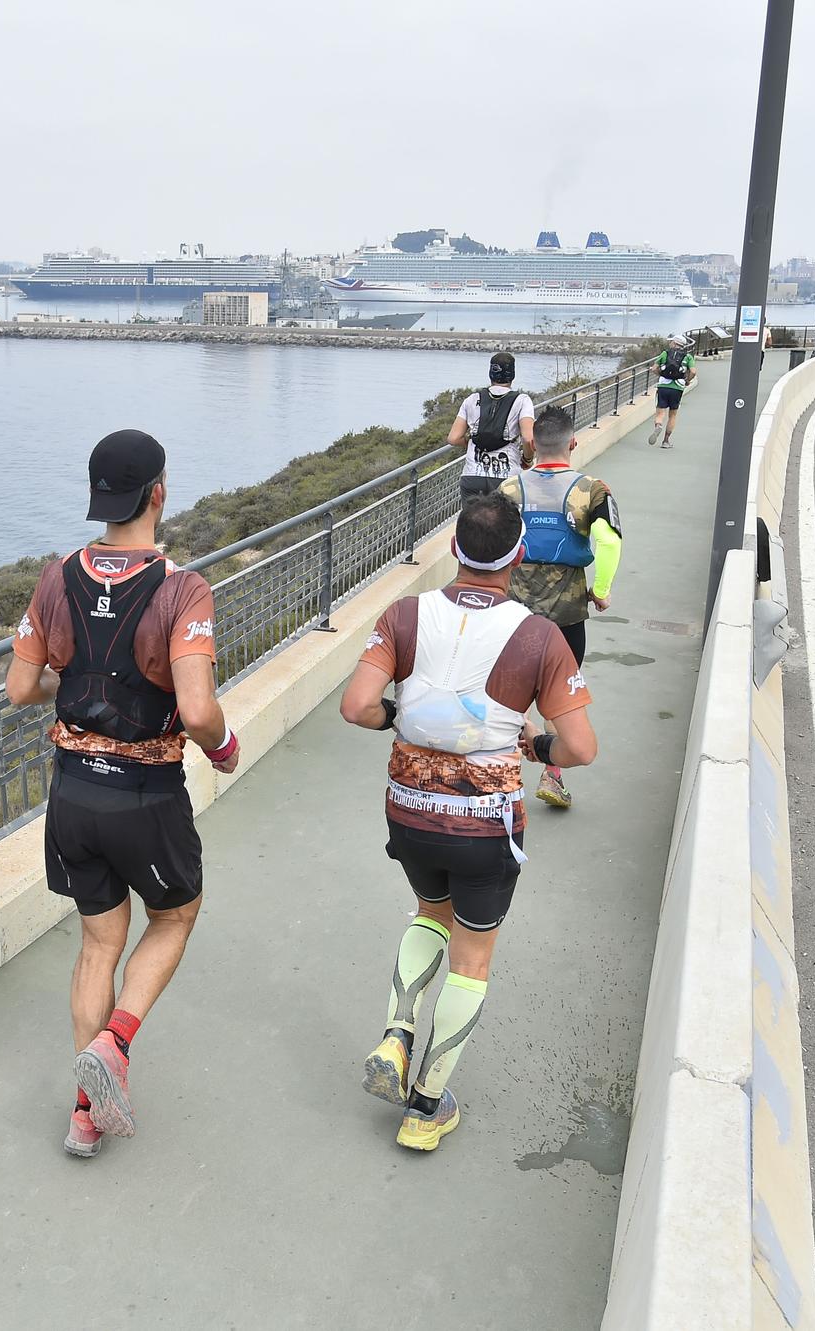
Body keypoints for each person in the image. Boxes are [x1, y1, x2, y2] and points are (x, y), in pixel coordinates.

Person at [5, 428, 239, 1160]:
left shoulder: (54, 577)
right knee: (174, 916)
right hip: (145, 795)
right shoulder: (181, 588)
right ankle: (116, 1043)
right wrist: (224, 748)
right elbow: (198, 710)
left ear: (98, 495)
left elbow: (19, 688)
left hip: (72, 796)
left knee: (98, 943)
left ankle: (84, 1116)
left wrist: (69, 685)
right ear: (159, 492)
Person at [338, 493, 599, 1151]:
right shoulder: (538, 635)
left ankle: (397, 1032)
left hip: (410, 809)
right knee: (473, 956)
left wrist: (399, 719)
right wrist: (535, 747)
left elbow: (358, 704)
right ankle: (426, 1107)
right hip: (486, 824)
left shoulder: (405, 615)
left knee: (430, 912)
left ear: (455, 548)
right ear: (517, 555)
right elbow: (581, 748)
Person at [502, 405, 622, 809]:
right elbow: (608, 541)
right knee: (558, 695)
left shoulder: (509, 489)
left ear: (533, 444)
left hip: (514, 613)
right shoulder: (592, 489)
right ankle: (552, 774)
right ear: (573, 443)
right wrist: (601, 589)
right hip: (567, 615)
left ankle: (497, 769)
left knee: (506, 691)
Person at [447, 352, 536, 495]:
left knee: (472, 518)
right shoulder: (522, 401)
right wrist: (527, 459)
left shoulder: (472, 399)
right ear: (512, 375)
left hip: (472, 475)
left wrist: (471, 442)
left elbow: (453, 438)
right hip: (507, 477)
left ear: (490, 373)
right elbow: (528, 438)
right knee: (505, 517)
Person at [648, 333, 696, 449]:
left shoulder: (665, 353)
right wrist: (687, 380)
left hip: (663, 386)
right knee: (673, 415)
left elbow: (654, 368)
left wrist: (661, 375)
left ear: (674, 343)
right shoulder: (688, 357)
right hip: (677, 387)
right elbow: (693, 371)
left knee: (660, 412)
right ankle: (665, 441)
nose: (670, 343)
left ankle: (658, 425)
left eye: (671, 341)